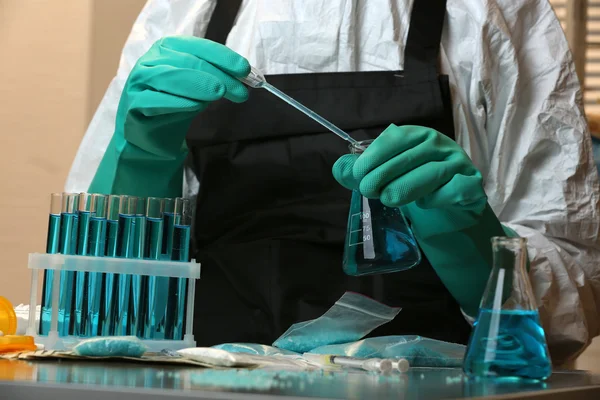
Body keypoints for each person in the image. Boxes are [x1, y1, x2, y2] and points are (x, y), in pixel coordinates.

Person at [66, 0, 600, 366]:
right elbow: (91, 308)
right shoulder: (186, 11)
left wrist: (464, 238)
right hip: (207, 381)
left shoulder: (492, 11)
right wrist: (142, 150)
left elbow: (572, 302)